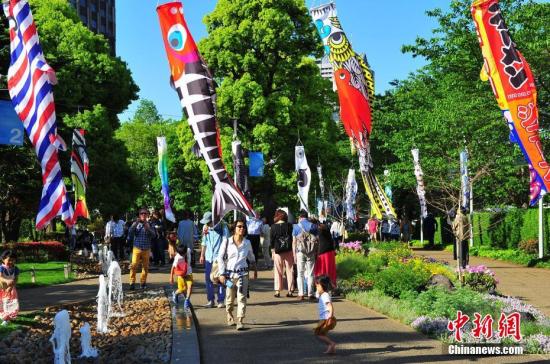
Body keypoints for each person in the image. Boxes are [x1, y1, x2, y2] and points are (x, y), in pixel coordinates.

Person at [217, 219, 257, 330]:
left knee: (242, 298)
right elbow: (220, 257)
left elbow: (251, 256)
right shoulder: (226, 241)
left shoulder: (247, 243)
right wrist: (221, 273)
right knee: (229, 299)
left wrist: (254, 268)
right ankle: (229, 314)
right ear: (234, 228)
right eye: (239, 226)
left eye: (243, 227)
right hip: (229, 275)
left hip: (243, 274)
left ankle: (240, 320)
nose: (242, 228)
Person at [199, 211, 228, 308]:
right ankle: (210, 300)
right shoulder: (205, 228)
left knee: (220, 279)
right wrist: (202, 255)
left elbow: (226, 239)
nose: (206, 224)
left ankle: (221, 300)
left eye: (208, 222)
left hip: (218, 258)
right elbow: (204, 242)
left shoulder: (222, 226)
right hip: (208, 257)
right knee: (208, 279)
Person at [127, 208, 156, 290]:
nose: (143, 215)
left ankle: (143, 282)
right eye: (141, 213)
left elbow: (154, 235)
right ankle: (132, 282)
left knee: (145, 267)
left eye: (145, 213)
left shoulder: (150, 223)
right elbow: (130, 232)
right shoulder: (136, 223)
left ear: (147, 215)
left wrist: (148, 228)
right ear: (139, 215)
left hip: (146, 249)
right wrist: (135, 224)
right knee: (133, 266)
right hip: (137, 248)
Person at [293, 210, 319, 301]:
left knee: (300, 273)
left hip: (300, 251)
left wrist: (294, 255)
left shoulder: (296, 227)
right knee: (311, 273)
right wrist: (316, 252)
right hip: (311, 252)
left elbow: (294, 242)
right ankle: (310, 293)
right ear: (307, 217)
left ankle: (301, 294)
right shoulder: (313, 226)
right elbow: (317, 240)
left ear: (300, 217)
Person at [270, 209, 294, 298]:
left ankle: (277, 290)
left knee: (278, 270)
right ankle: (290, 290)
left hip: (278, 251)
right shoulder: (289, 226)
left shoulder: (273, 227)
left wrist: (272, 251)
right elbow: (292, 238)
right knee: (290, 270)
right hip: (288, 250)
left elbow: (272, 241)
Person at [314, 275, 337, 354]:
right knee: (322, 334)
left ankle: (331, 344)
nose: (316, 288)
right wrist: (318, 288)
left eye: (318, 286)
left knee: (319, 334)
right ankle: (331, 348)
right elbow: (316, 295)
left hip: (326, 318)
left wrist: (330, 317)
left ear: (323, 285)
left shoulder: (325, 296)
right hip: (323, 318)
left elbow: (330, 307)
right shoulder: (322, 294)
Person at [314, 224, 337, 290]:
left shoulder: (319, 232)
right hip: (330, 252)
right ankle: (332, 286)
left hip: (322, 253)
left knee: (321, 270)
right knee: (330, 270)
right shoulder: (328, 233)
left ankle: (321, 285)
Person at [170, 244, 193, 309]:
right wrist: (171, 277)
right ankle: (175, 294)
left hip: (188, 272)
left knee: (190, 286)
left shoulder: (188, 250)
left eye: (183, 254)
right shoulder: (177, 257)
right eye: (181, 254)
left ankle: (187, 300)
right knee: (182, 289)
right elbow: (173, 267)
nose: (183, 255)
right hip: (181, 274)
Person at [0, 250, 19, 325]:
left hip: (11, 290)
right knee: (1, 303)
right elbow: (0, 277)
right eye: (9, 260)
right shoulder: (1, 268)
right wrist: (6, 280)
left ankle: (7, 318)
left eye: (13, 260)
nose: (11, 262)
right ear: (3, 259)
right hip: (1, 289)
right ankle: (3, 315)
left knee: (9, 303)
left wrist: (11, 286)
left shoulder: (16, 269)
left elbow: (16, 279)